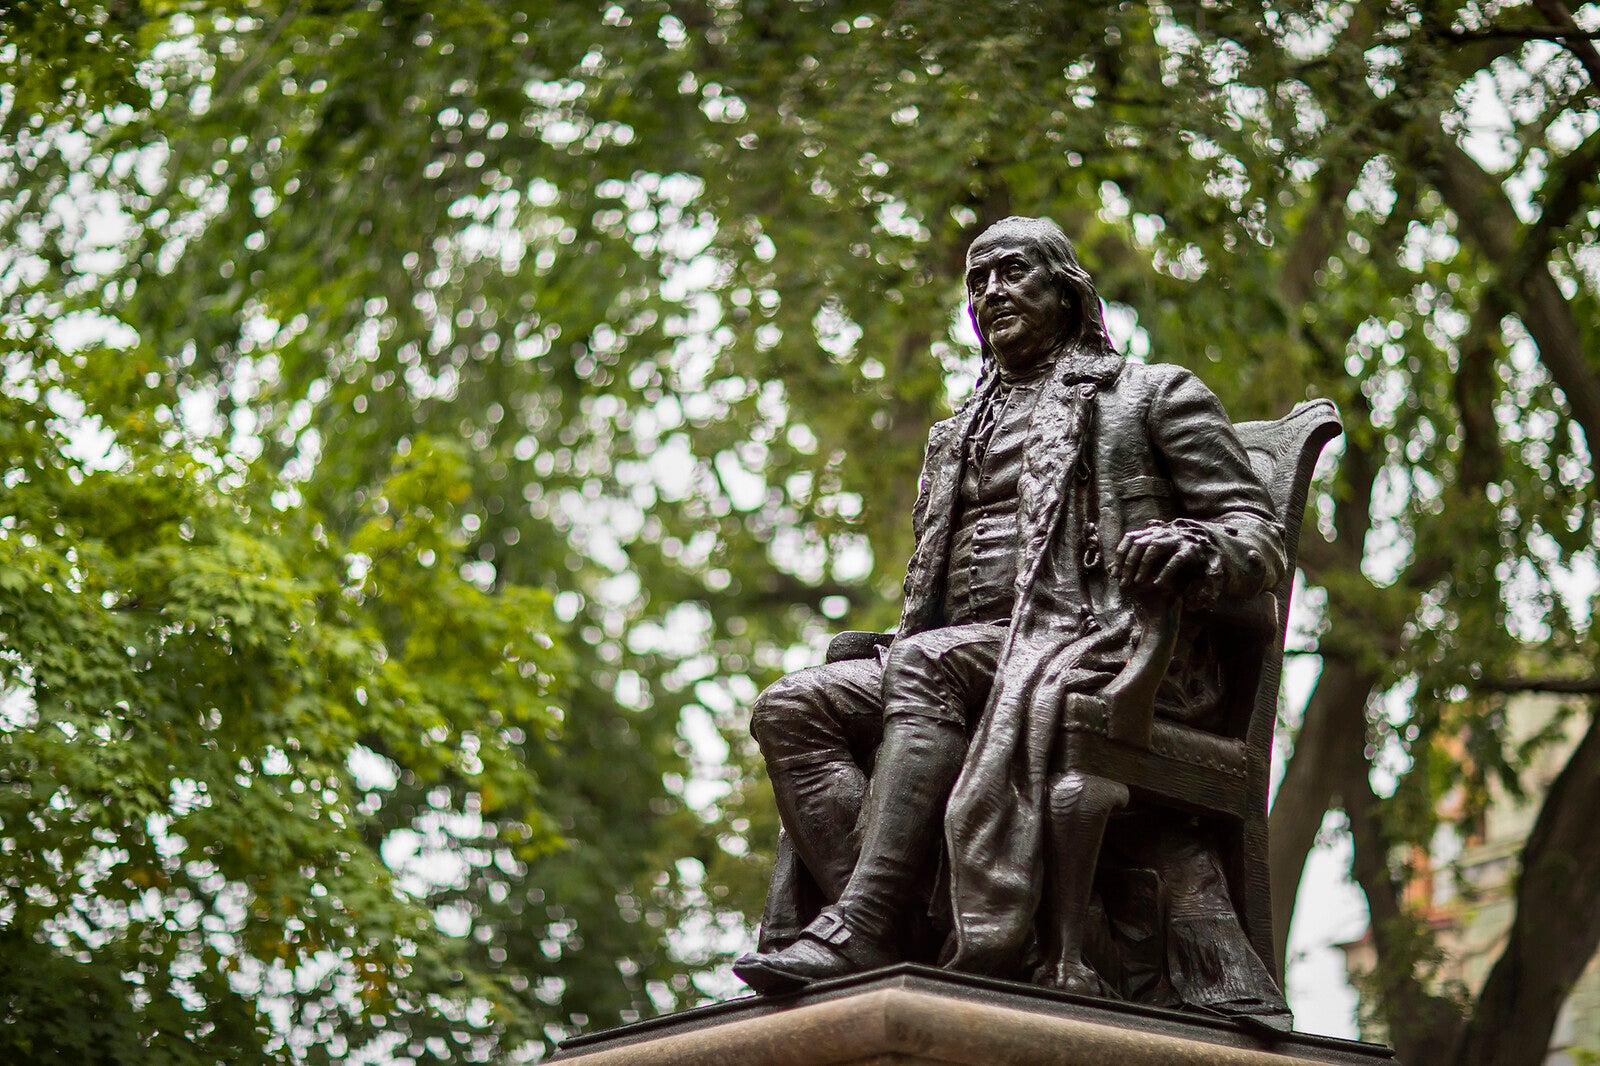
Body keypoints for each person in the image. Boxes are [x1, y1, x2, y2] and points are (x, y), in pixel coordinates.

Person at [733, 217, 1290, 1025]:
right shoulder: (953, 433)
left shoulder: (1150, 394)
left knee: (927, 665)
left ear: (1066, 291)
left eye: (1014, 271)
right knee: (793, 705)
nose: (991, 291)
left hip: (1105, 646)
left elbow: (1256, 535)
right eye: (976, 279)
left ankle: (867, 921)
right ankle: (914, 923)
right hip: (969, 655)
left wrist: (1192, 540)